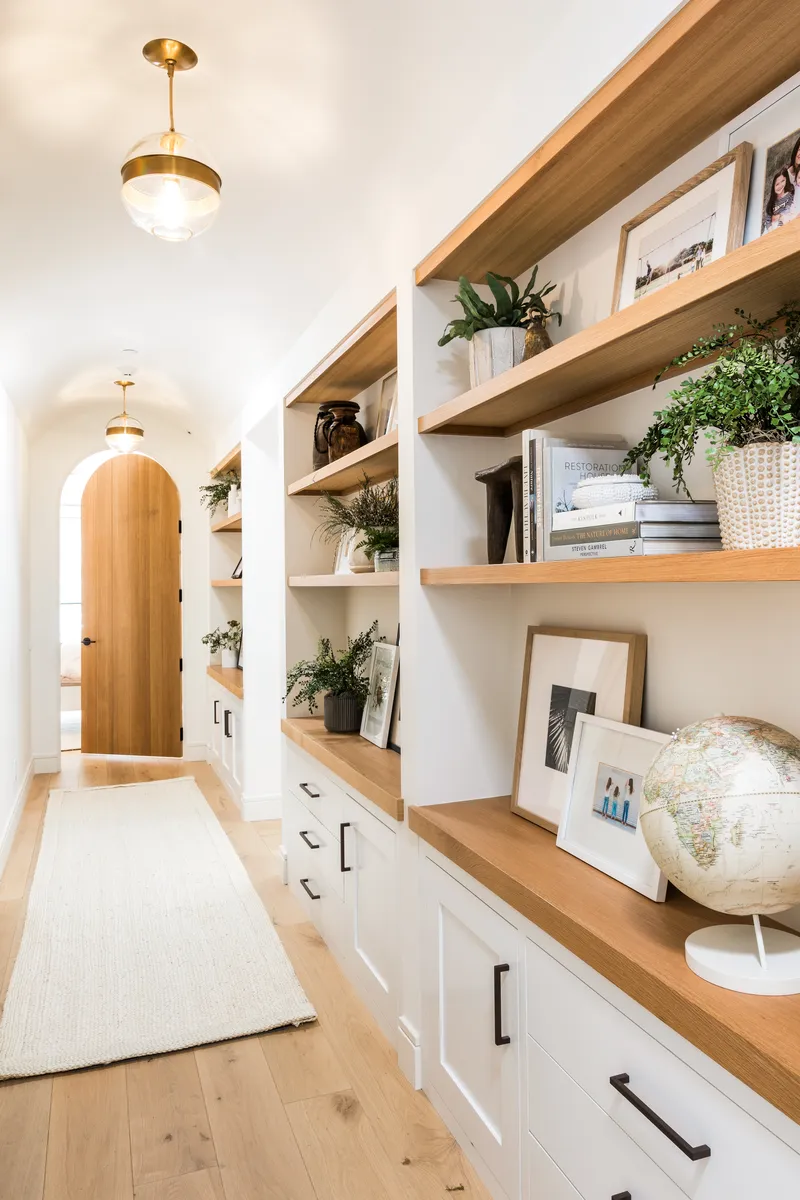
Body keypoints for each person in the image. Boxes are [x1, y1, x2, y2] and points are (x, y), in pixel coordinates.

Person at [763, 168, 795, 234]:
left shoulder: (789, 196)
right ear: (773, 187)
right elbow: (768, 220)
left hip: (782, 228)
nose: (780, 186)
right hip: (770, 230)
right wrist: (770, 231)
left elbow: (786, 213)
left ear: (786, 180)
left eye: (783, 181)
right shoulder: (772, 201)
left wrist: (778, 230)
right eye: (777, 184)